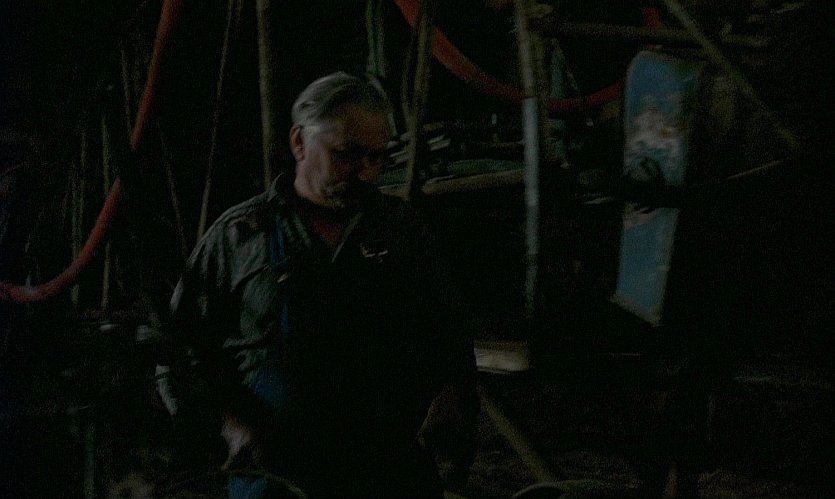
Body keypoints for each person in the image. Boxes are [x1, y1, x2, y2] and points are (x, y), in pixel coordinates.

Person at [158, 71, 478, 498]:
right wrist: (229, 427)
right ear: (299, 142)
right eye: (346, 155)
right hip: (277, 475)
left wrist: (452, 394)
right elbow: (178, 353)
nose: (365, 173)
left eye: (376, 157)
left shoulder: (402, 231)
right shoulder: (241, 237)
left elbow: (451, 331)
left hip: (385, 470)